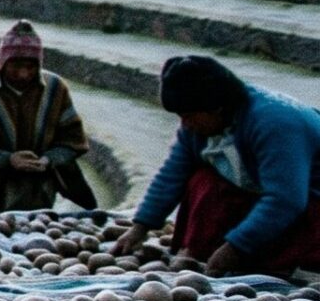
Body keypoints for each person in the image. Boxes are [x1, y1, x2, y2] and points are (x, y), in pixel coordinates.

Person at [116, 56, 320, 277]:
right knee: (203, 181)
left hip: (309, 198)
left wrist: (235, 247)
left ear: (217, 108)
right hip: (263, 188)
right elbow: (172, 175)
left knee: (285, 252)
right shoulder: (197, 129)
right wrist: (140, 228)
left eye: (189, 116)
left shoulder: (275, 125)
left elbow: (285, 199)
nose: (184, 124)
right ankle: (202, 250)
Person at [0, 21, 99, 213]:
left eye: (30, 67)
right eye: (16, 66)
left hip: (37, 195)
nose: (23, 74)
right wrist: (8, 159)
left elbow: (71, 140)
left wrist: (48, 160)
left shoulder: (55, 89)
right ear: (3, 61)